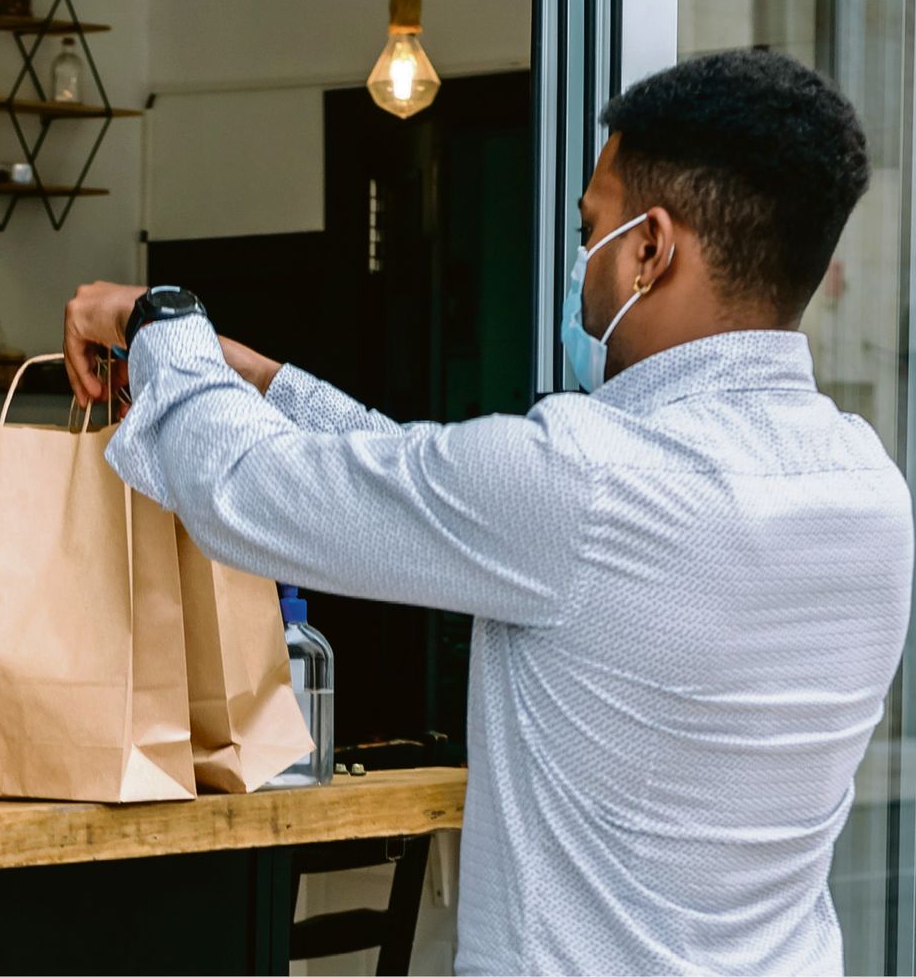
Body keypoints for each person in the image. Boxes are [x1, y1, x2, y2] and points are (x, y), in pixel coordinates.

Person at [63, 49, 912, 973]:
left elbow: (249, 493)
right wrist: (261, 378)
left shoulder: (585, 480)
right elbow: (428, 493)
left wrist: (161, 322)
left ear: (650, 249)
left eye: (592, 229)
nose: (581, 264)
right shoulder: (868, 486)